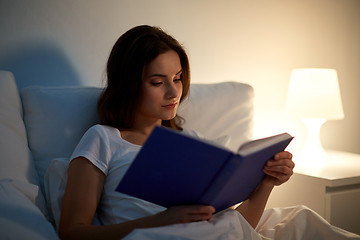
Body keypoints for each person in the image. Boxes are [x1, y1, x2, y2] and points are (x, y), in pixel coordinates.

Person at [58, 25, 294, 240]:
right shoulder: (104, 139)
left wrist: (266, 183)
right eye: (158, 82)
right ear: (128, 85)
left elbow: (236, 227)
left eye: (178, 78)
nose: (173, 93)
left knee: (300, 218)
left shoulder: (194, 144)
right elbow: (72, 232)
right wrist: (160, 221)